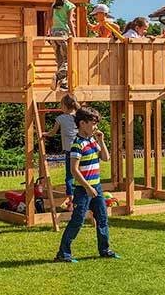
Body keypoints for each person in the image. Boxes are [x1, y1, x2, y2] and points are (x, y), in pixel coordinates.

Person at [55, 106, 119, 263]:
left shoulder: (92, 140)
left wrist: (101, 141)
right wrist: (87, 187)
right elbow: (74, 170)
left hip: (96, 188)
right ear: (82, 123)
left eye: (96, 123)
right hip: (83, 190)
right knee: (77, 221)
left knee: (102, 218)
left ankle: (105, 250)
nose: (95, 127)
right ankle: (63, 254)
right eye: (93, 123)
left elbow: (105, 158)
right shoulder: (77, 144)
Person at [42, 94, 80, 211]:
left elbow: (53, 133)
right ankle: (81, 199)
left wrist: (45, 134)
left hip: (70, 151)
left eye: (61, 105)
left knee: (69, 176)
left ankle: (71, 202)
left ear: (64, 106)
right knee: (81, 174)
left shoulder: (61, 118)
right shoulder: (79, 117)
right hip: (81, 149)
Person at [48, 0, 78, 90]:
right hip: (63, 33)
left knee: (60, 61)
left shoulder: (54, 5)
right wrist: (74, 36)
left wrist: (49, 32)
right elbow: (70, 22)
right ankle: (58, 76)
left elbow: (49, 19)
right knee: (68, 59)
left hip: (54, 34)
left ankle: (62, 83)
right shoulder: (70, 5)